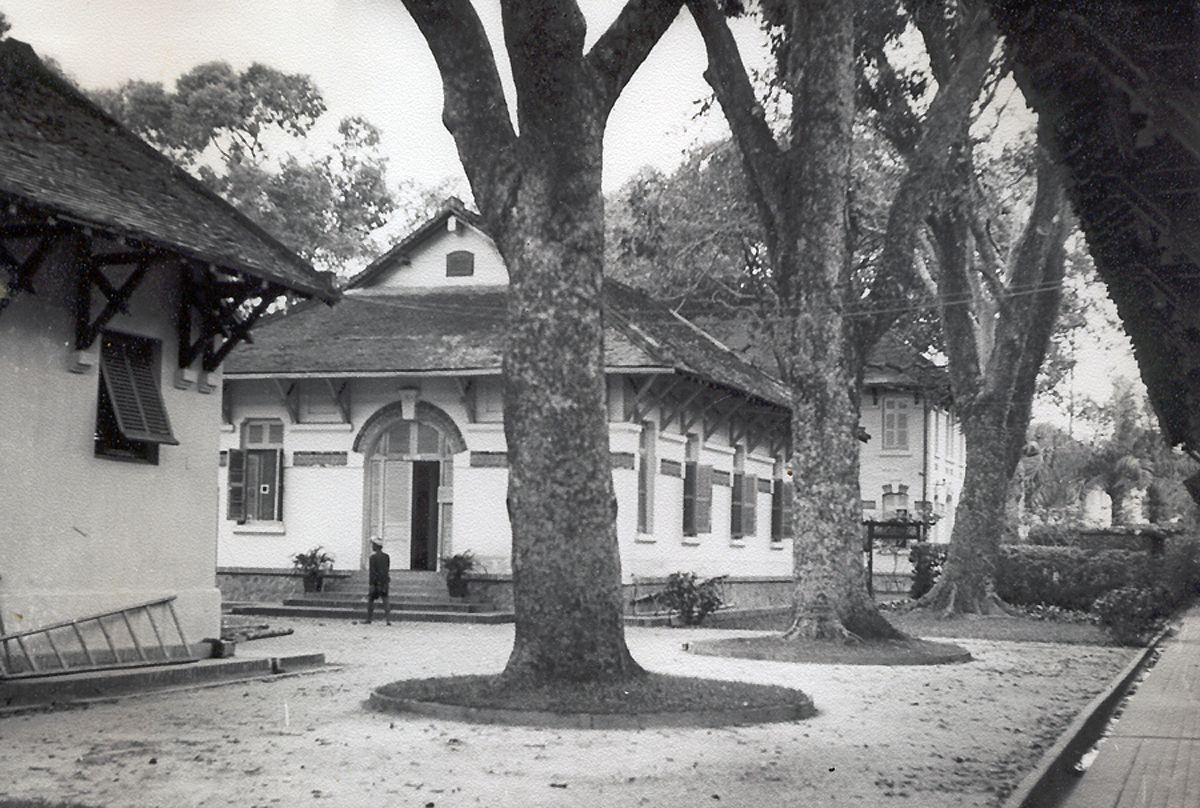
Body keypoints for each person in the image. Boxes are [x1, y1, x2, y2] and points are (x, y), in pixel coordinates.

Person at [366, 538, 391, 625]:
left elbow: (372, 572)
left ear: (376, 546)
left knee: (371, 600)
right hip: (384, 581)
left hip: (376, 582)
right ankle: (388, 620)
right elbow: (386, 569)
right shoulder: (386, 557)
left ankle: (369, 619)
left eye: (373, 545)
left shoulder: (373, 557)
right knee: (385, 600)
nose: (372, 547)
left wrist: (372, 584)